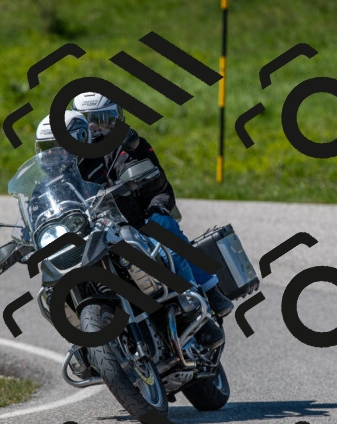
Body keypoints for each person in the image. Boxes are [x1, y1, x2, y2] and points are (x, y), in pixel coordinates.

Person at [69, 92, 234, 320]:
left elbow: (156, 184)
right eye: (89, 121)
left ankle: (206, 292)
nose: (96, 128)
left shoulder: (126, 146)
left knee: (161, 224)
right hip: (96, 229)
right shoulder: (70, 159)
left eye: (104, 120)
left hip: (139, 216)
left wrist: (131, 184)